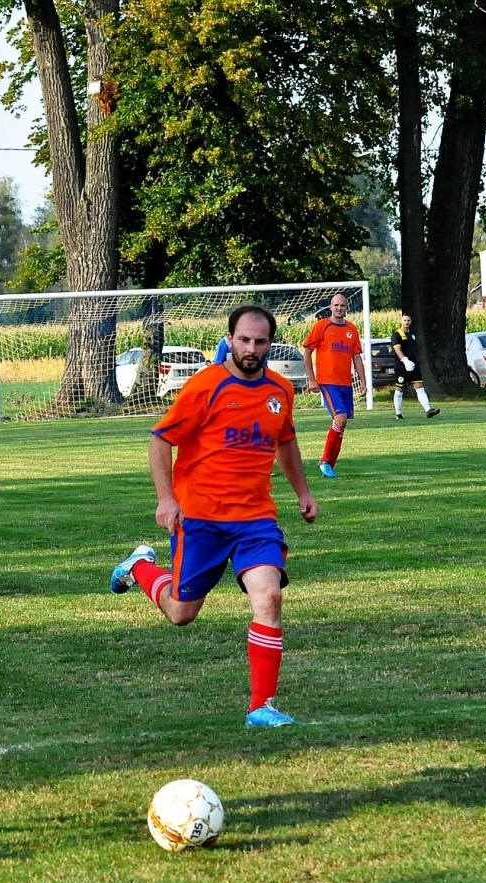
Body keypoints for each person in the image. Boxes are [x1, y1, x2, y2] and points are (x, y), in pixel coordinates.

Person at [108, 305, 319, 728]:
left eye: (260, 342)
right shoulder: (206, 387)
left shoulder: (280, 390)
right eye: (244, 340)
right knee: (181, 614)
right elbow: (159, 441)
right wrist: (166, 499)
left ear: (270, 344)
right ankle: (141, 567)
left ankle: (262, 706)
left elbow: (286, 442)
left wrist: (303, 491)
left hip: (256, 519)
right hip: (201, 520)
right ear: (230, 338)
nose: (251, 349)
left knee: (269, 596)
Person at [302, 294, 363, 478]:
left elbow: (357, 357)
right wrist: (312, 379)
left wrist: (363, 381)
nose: (339, 308)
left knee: (341, 424)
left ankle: (329, 464)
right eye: (336, 305)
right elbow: (306, 352)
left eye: (342, 305)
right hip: (327, 382)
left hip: (345, 383)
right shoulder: (321, 326)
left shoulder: (351, 329)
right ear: (330, 307)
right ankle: (325, 461)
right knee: (340, 418)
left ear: (346, 308)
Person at [389, 313, 438, 420]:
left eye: (408, 320)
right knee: (400, 389)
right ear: (401, 321)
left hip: (413, 365)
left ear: (411, 322)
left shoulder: (412, 334)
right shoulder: (397, 334)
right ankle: (398, 413)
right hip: (402, 366)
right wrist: (405, 360)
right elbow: (397, 349)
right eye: (405, 320)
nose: (407, 322)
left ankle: (428, 410)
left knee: (419, 387)